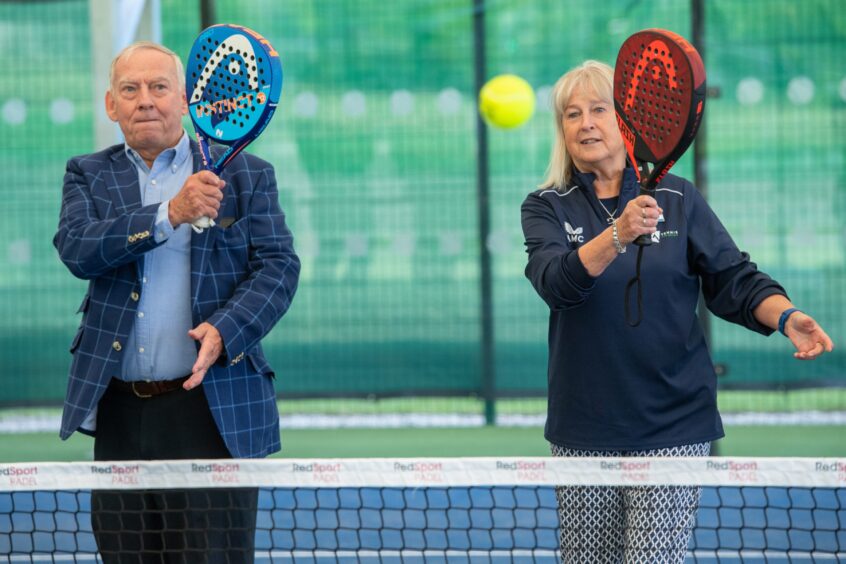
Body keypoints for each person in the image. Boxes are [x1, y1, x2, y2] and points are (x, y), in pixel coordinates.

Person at [521, 60, 833, 563]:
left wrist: (784, 316)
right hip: (584, 427)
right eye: (571, 114)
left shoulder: (677, 197)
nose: (585, 124)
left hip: (674, 425)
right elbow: (556, 284)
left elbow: (732, 277)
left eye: (598, 110)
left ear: (626, 121)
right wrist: (618, 232)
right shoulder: (545, 206)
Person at [53, 41, 300, 562]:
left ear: (185, 100)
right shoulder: (87, 174)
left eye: (159, 87)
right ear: (110, 105)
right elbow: (79, 249)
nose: (146, 100)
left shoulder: (250, 175)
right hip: (118, 411)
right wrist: (169, 213)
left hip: (212, 410)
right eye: (130, 89)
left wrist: (225, 331)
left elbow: (278, 268)